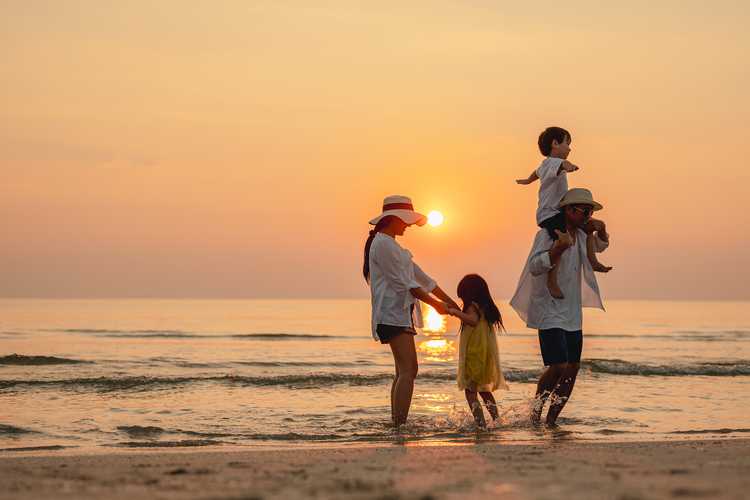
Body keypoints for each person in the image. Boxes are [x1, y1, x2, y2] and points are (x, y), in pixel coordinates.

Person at [510, 188, 610, 427]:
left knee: (573, 367)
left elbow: (600, 246)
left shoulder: (583, 235)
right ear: (568, 210)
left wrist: (603, 228)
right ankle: (536, 413)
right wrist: (557, 248)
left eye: (590, 211)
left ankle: (552, 420)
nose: (587, 215)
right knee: (558, 366)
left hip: (572, 313)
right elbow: (535, 266)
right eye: (583, 210)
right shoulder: (548, 234)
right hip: (549, 309)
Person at [364, 195, 458, 427]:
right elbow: (406, 285)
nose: (408, 225)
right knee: (409, 370)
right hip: (391, 314)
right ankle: (399, 425)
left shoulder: (392, 245)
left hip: (399, 314)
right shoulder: (383, 244)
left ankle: (397, 423)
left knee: (403, 371)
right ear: (393, 219)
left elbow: (422, 278)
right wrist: (437, 306)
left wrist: (450, 301)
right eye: (405, 220)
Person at [516, 126, 612, 298]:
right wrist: (570, 166)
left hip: (556, 213)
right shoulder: (553, 163)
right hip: (550, 214)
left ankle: (593, 261)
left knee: (589, 228)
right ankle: (552, 280)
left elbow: (535, 173)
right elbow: (563, 164)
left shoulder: (544, 166)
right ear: (555, 144)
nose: (570, 148)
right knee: (562, 241)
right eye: (567, 143)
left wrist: (527, 180)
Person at [447, 274, 508, 429]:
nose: (462, 301)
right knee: (484, 391)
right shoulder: (485, 308)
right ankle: (496, 420)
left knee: (470, 391)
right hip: (484, 354)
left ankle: (480, 424)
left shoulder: (472, 307)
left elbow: (472, 321)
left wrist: (455, 312)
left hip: (474, 354)